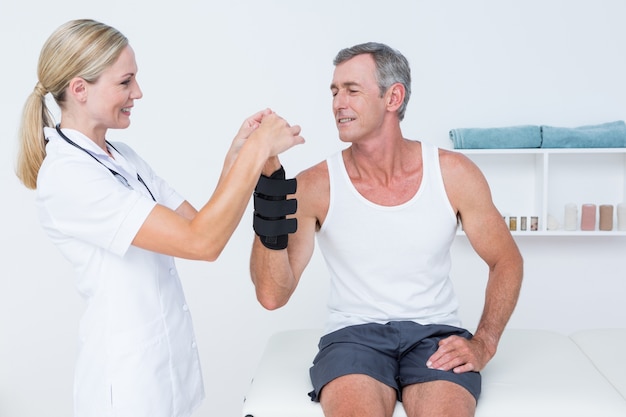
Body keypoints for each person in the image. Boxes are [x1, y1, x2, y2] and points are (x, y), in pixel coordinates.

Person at [15, 19, 304, 417]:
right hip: (125, 390)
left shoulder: (122, 157)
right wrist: (257, 153)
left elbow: (199, 223)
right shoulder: (69, 176)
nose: (137, 93)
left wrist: (238, 153)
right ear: (79, 89)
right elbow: (202, 244)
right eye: (125, 82)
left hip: (164, 374)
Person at [249, 42, 523, 417]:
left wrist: (484, 343)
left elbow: (506, 259)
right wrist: (270, 187)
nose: (337, 103)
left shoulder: (454, 174)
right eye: (334, 91)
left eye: (352, 90)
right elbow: (271, 294)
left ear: (393, 96)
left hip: (435, 336)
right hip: (353, 338)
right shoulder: (314, 186)